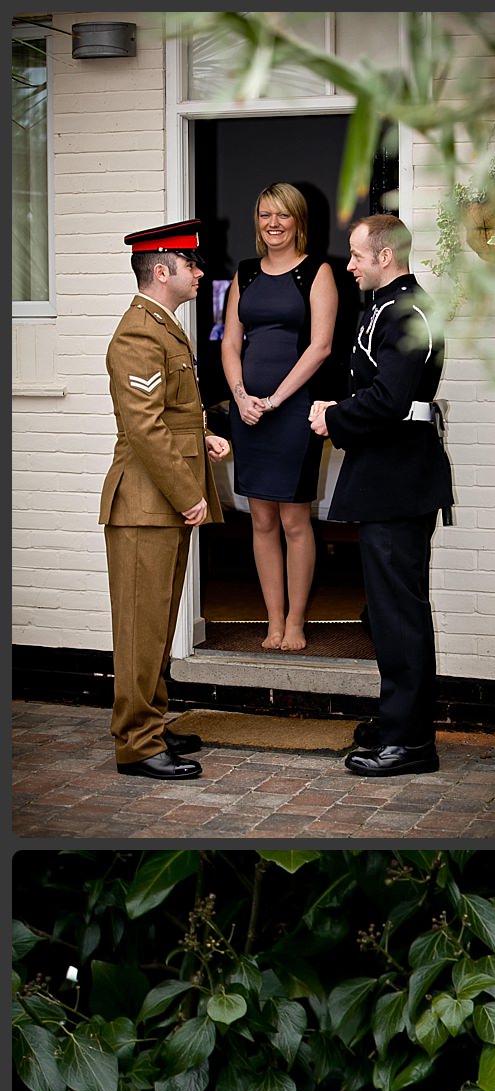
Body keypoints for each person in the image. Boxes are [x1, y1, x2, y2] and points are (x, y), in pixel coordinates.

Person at [309, 214, 453, 777]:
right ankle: (399, 725)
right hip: (387, 475)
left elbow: (390, 399)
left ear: (385, 256)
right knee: (391, 614)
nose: (349, 265)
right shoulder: (386, 306)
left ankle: (411, 742)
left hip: (399, 479)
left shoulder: (407, 311)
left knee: (398, 618)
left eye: (356, 256)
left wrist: (334, 418)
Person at [100, 219, 233, 781]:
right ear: (162, 270)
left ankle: (151, 722)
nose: (200, 274)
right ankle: (136, 743)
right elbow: (145, 430)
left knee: (155, 625)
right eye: (191, 266)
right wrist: (189, 492)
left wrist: (200, 436)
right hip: (145, 504)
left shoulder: (164, 327)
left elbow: (168, 417)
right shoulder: (138, 334)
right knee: (139, 628)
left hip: (159, 504)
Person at [223, 182, 337, 651]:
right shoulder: (245, 274)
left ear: (298, 221)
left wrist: (273, 400)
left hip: (293, 411)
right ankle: (272, 620)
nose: (273, 224)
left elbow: (321, 346)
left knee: (294, 520)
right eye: (265, 214)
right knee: (260, 520)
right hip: (247, 409)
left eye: (282, 215)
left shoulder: (317, 272)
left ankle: (295, 622)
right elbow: (230, 342)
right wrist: (242, 395)